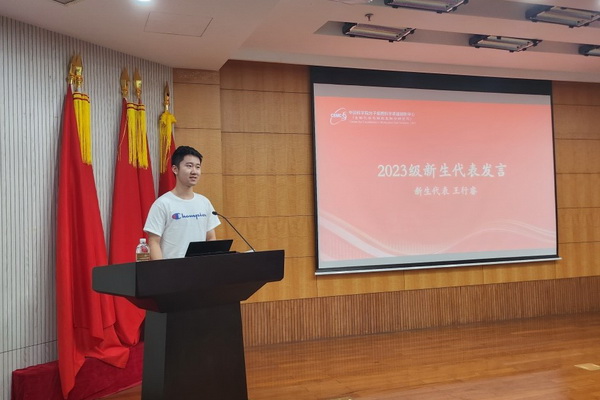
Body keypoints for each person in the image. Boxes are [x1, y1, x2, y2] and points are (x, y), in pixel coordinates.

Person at [144, 145, 220, 259]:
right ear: (175, 169)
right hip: (172, 268)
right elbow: (154, 242)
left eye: (198, 167)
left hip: (200, 267)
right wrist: (161, 268)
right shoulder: (162, 204)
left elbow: (210, 238)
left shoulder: (204, 202)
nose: (194, 171)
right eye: (189, 166)